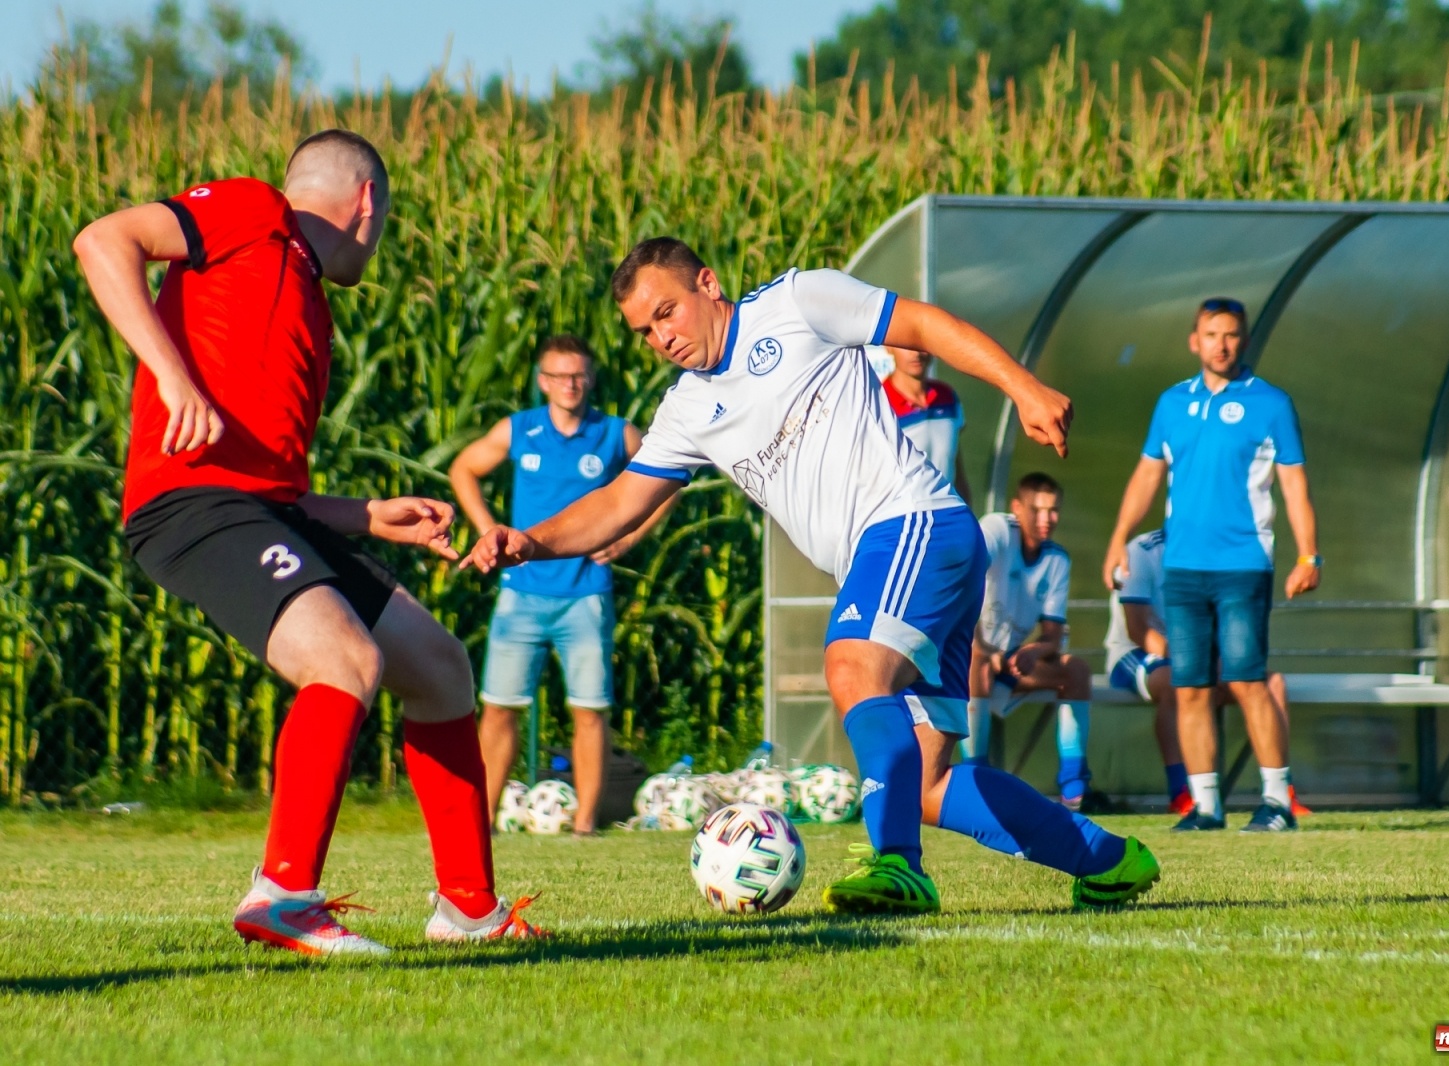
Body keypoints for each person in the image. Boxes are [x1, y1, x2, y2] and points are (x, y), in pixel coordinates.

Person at [463, 237, 1161, 914]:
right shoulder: (686, 409)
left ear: (707, 284)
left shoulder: (798, 302)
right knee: (923, 781)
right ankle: (1107, 862)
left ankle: (897, 867)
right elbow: (620, 502)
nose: (660, 338)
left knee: (851, 666)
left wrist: (1023, 387)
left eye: (666, 313)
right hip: (904, 554)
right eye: (645, 331)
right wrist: (528, 541)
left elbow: (921, 323)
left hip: (913, 522)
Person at [74, 130, 537, 955]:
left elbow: (275, 493)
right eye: (385, 219)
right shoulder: (258, 211)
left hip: (259, 512)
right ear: (367, 204)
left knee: (438, 669)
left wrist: (366, 515)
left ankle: (470, 910)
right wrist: (171, 375)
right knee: (344, 661)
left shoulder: (305, 300)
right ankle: (283, 893)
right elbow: (103, 239)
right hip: (188, 504)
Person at [1102, 296, 1321, 833]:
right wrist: (1118, 539)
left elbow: (1294, 484)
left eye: (1231, 335)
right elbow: (1147, 475)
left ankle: (1276, 802)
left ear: (1243, 341)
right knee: (1191, 687)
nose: (1221, 345)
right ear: (1193, 340)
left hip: (1243, 565)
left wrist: (1308, 553)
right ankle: (1205, 806)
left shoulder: (1270, 403)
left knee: (1247, 680)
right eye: (1211, 334)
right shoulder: (1172, 404)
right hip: (1183, 569)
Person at [449, 334, 669, 835]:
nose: (569, 384)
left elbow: (667, 480)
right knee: (499, 707)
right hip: (521, 593)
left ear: (590, 378)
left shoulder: (615, 434)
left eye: (578, 375)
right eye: (559, 376)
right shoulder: (519, 430)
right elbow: (463, 468)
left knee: (590, 711)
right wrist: (487, 528)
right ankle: (479, 825)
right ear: (543, 381)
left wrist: (631, 535)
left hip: (586, 593)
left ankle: (585, 826)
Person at [1106, 529, 1310, 817]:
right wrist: (1195, 660)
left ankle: (1281, 793)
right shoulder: (1142, 551)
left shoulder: (1219, 549)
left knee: (1271, 683)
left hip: (1199, 655)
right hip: (1137, 654)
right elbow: (1138, 630)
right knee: (1178, 683)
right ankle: (1182, 793)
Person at [960, 473, 1097, 809]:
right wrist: (982, 649)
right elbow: (962, 582)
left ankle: (1074, 788)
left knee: (1077, 671)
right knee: (974, 664)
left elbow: (1052, 635)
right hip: (964, 659)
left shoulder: (1057, 559)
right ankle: (975, 781)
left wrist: (1036, 650)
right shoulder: (995, 530)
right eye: (1037, 510)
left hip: (1009, 664)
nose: (1046, 519)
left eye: (1053, 511)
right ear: (1016, 509)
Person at [881, 345, 971, 500]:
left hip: (947, 514)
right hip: (903, 518)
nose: (916, 353)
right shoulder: (879, 403)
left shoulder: (948, 396)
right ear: (888, 348)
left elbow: (955, 464)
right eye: (905, 345)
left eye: (921, 343)